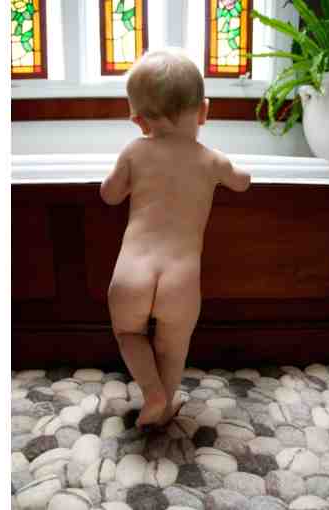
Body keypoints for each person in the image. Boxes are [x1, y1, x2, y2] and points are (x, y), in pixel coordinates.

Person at [100, 49, 251, 427]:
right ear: (204, 111)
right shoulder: (211, 160)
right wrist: (239, 171)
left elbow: (110, 194)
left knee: (128, 332)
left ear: (138, 121)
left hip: (131, 272)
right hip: (180, 280)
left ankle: (151, 392)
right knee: (171, 348)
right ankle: (164, 404)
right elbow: (242, 182)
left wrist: (122, 177)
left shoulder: (134, 152)